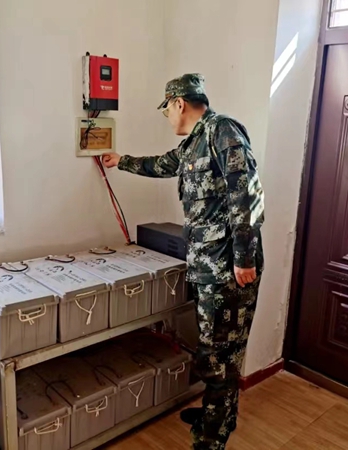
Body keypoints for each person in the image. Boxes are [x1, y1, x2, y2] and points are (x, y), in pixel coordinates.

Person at [101, 73, 265, 450]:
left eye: (167, 111)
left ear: (179, 103)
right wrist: (121, 161)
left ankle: (212, 437)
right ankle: (215, 414)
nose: (168, 118)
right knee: (214, 350)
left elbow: (245, 196)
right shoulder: (194, 143)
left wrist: (243, 259)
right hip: (209, 266)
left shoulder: (222, 131)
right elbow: (162, 165)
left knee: (220, 354)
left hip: (230, 268)